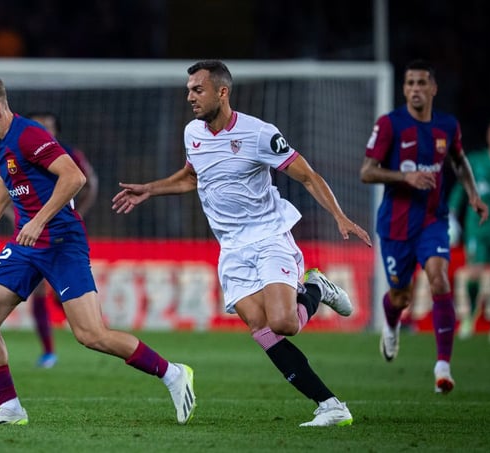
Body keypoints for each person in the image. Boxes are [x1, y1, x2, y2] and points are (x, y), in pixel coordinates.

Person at [112, 60, 371, 427]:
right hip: (231, 248)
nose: (190, 97)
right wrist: (150, 190)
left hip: (268, 236)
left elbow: (307, 176)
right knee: (261, 329)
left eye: (198, 90)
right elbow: (191, 178)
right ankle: (329, 405)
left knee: (284, 323)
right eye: (188, 90)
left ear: (222, 92)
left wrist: (339, 216)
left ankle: (316, 286)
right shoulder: (192, 133)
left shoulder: (260, 134)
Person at [0, 76, 195, 426]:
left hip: (61, 242)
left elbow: (75, 178)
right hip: (26, 245)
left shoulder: (29, 134)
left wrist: (38, 220)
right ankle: (10, 408)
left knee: (91, 335)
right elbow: (7, 176)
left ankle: (173, 373)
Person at [360, 59, 489, 394]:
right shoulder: (390, 124)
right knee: (400, 296)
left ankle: (442, 366)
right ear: (404, 90)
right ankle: (391, 325)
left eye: (421, 83)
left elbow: (459, 161)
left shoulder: (447, 125)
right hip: (396, 225)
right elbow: (367, 172)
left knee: (439, 278)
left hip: (433, 219)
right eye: (410, 83)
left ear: (433, 88)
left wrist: (473, 195)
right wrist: (405, 176)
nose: (415, 88)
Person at [22, 112, 98, 368]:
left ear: (56, 131)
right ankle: (48, 352)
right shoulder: (22, 154)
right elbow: (8, 190)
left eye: (48, 127)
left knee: (61, 291)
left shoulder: (68, 154)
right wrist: (18, 219)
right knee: (38, 288)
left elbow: (90, 183)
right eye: (38, 126)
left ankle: (91, 327)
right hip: (34, 232)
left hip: (62, 231)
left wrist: (79, 213)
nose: (43, 130)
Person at [449, 117, 490, 343]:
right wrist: (450, 214)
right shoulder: (476, 161)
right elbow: (461, 188)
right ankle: (470, 317)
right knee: (474, 272)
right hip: (477, 226)